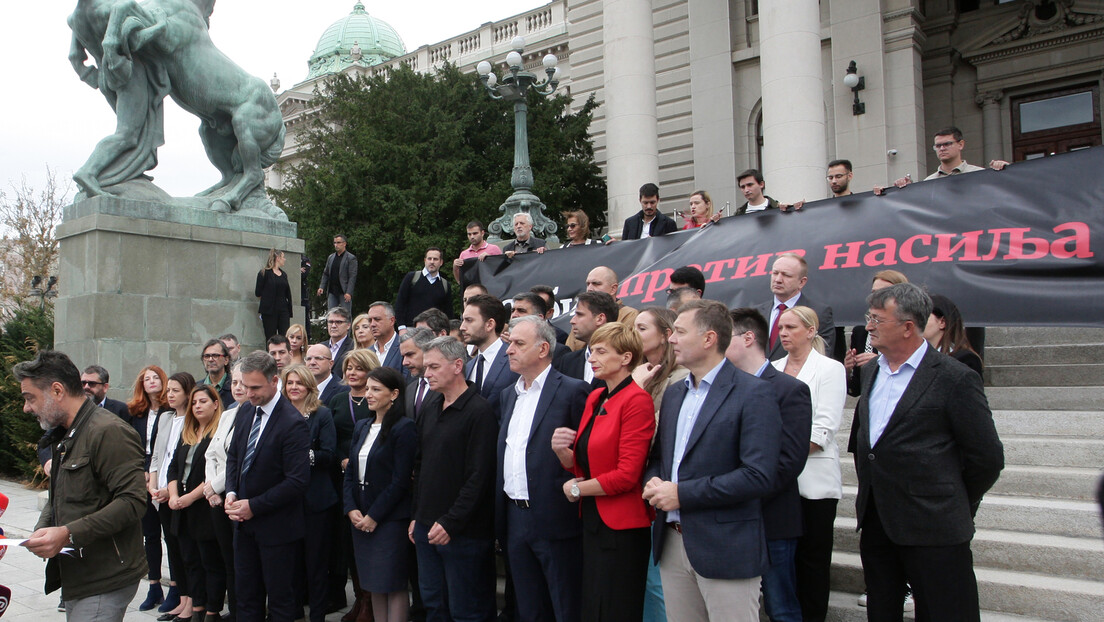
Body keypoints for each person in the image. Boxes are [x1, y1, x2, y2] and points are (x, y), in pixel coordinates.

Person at [852, 283, 1004, 620]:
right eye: (869, 318)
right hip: (879, 521)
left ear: (908, 327)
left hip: (935, 526)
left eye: (878, 320)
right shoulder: (871, 371)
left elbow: (987, 458)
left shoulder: (954, 378)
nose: (869, 327)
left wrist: (951, 499)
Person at [642, 300, 781, 621]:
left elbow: (758, 475)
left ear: (708, 339)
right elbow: (661, 457)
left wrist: (682, 493)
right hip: (672, 543)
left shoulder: (753, 393)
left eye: (679, 331)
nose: (671, 339)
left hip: (726, 546)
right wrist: (652, 480)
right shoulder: (676, 393)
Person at [18, 350, 147, 622]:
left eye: (30, 398)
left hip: (105, 577)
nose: (26, 408)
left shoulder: (108, 431)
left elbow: (132, 502)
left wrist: (66, 534)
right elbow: (60, 496)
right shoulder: (66, 432)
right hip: (79, 574)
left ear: (57, 390)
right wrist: (42, 530)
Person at [550, 322, 655, 621]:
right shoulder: (596, 398)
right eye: (591, 350)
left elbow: (627, 475)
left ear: (625, 358)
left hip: (622, 527)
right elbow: (584, 464)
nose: (591, 357)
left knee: (616, 607)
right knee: (593, 605)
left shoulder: (637, 400)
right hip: (594, 520)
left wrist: (575, 489)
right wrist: (561, 452)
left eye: (600, 351)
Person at [497, 316, 590, 622]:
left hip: (556, 517)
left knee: (565, 605)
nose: (509, 349)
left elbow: (587, 457)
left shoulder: (573, 391)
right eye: (509, 343)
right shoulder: (508, 394)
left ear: (543, 349)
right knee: (528, 607)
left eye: (518, 344)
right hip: (514, 516)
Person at [726, 308, 812, 622]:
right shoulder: (723, 388)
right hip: (727, 520)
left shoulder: (789, 390)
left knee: (781, 607)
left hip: (771, 519)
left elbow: (789, 461)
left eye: (727, 335)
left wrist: (739, 494)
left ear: (749, 338)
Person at [411, 337, 498, 622]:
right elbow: (421, 466)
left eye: (434, 367)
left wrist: (451, 522)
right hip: (426, 526)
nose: (427, 374)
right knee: (434, 606)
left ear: (458, 365)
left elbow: (479, 476)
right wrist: (418, 515)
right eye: (426, 367)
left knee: (467, 611)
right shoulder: (431, 406)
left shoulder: (480, 412)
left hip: (464, 533)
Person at [224, 351, 311, 622]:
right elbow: (235, 456)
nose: (248, 393)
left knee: (281, 601)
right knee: (246, 597)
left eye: (255, 387)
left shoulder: (292, 422)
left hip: (277, 529)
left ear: (275, 381)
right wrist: (231, 492)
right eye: (244, 386)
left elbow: (297, 481)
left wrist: (254, 506)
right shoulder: (246, 411)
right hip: (243, 526)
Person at [772, 306, 846, 622]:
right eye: (781, 327)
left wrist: (774, 455)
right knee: (781, 561)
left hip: (813, 481)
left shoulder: (830, 369)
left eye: (791, 327)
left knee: (812, 560)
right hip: (777, 482)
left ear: (811, 330)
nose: (784, 333)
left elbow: (823, 428)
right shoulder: (772, 367)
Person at [344, 367, 418, 622]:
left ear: (394, 394)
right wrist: (351, 508)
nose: (369, 394)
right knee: (373, 582)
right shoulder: (363, 426)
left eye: (376, 389)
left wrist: (374, 515)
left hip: (389, 518)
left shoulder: (404, 428)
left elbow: (400, 481)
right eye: (368, 388)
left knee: (392, 581)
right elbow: (351, 471)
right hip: (360, 515)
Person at [629, 307, 687, 621]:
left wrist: (634, 390)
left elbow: (647, 436)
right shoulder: (642, 371)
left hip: (659, 488)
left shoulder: (677, 380)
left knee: (657, 583)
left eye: (641, 328)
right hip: (640, 488)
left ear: (665, 335)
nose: (633, 333)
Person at [282, 364, 339, 622]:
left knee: (316, 563)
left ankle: (317, 616)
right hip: (285, 502)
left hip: (316, 500)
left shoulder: (321, 414)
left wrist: (303, 456)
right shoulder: (278, 415)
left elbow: (330, 454)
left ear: (309, 386)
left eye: (298, 383)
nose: (293, 387)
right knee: (289, 564)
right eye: (289, 383)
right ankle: (292, 613)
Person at [167, 385, 227, 622]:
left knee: (209, 562)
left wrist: (189, 497)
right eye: (194, 403)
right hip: (180, 507)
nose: (197, 406)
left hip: (203, 506)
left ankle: (212, 610)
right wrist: (173, 496)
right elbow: (173, 467)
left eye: (203, 401)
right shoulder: (188, 433)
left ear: (215, 404)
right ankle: (197, 607)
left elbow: (213, 474)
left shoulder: (218, 434)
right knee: (190, 561)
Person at [330, 350, 380, 622]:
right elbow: (331, 438)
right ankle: (360, 599)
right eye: (348, 368)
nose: (352, 373)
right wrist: (342, 459)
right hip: (343, 478)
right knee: (348, 544)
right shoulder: (338, 400)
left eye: (359, 368)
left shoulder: (377, 399)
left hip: (372, 480)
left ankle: (372, 602)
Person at [150, 372, 198, 621]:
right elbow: (157, 455)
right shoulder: (166, 417)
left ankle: (191, 602)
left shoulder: (193, 420)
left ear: (188, 393)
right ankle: (181, 599)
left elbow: (182, 464)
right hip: (161, 493)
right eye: (168, 390)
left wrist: (170, 491)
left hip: (180, 493)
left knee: (186, 548)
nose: (169, 394)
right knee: (172, 547)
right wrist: (153, 484)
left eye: (175, 390)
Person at [204, 363, 248, 622]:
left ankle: (246, 609)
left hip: (237, 496)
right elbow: (212, 453)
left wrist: (217, 486)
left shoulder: (254, 415)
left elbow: (239, 459)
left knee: (243, 560)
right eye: (234, 383)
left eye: (243, 382)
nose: (239, 387)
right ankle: (234, 608)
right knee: (227, 558)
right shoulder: (228, 414)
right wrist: (210, 489)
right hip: (217, 498)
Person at [126, 365, 171, 612]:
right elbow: (131, 444)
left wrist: (152, 473)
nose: (151, 382)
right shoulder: (136, 412)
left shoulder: (170, 410)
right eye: (146, 379)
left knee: (171, 535)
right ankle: (154, 586)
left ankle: (175, 586)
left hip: (163, 477)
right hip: (140, 476)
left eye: (155, 378)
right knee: (150, 535)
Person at [875, 126, 1010, 193]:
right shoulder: (928, 183)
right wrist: (904, 192)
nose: (942, 148)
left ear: (960, 144)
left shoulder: (979, 174)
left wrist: (1006, 172)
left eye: (947, 144)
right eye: (938, 146)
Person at [844, 270, 909, 398]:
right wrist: (847, 370)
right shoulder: (861, 333)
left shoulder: (907, 331)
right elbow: (855, 389)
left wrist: (880, 362)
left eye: (884, 293)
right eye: (874, 293)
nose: (876, 298)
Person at [759, 253, 836, 361]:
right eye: (775, 273)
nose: (778, 279)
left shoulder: (819, 313)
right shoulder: (756, 313)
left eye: (786, 275)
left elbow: (822, 355)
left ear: (802, 282)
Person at [461, 294, 518, 418]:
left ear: (490, 324)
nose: (462, 327)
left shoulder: (514, 360)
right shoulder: (468, 366)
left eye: (469, 320)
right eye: (463, 320)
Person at [565, 266, 639, 352]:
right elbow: (569, 352)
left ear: (613, 289)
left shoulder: (630, 315)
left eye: (596, 284)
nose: (590, 289)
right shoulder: (579, 319)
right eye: (588, 284)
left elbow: (621, 349)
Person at [555, 291, 619, 384]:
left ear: (600, 319)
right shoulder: (568, 361)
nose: (572, 321)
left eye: (579, 315)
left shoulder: (619, 360)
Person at [924, 294, 984, 377]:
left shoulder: (966, 359)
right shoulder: (917, 356)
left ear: (942, 322)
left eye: (924, 316)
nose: (917, 322)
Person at [395, 248, 453, 328]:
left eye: (435, 259)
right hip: (411, 330)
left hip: (434, 332)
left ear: (441, 262)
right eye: (429, 258)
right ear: (425, 260)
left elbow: (448, 312)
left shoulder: (445, 285)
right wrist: (401, 327)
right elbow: (400, 303)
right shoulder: (412, 278)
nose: (432, 262)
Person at [399, 327, 438, 421]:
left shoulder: (446, 386)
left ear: (428, 350)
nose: (404, 362)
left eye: (410, 355)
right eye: (403, 357)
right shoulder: (409, 389)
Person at [256, 248, 293, 339]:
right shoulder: (264, 273)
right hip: (269, 311)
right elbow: (258, 292)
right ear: (278, 258)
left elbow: (286, 292)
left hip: (283, 310)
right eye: (283, 257)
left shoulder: (283, 274)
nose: (284, 259)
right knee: (270, 337)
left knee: (284, 337)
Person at [453, 220, 503, 285]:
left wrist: (490, 259)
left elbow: (503, 271)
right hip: (472, 291)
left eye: (475, 233)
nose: (472, 237)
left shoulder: (494, 249)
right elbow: (460, 281)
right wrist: (455, 267)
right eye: (469, 234)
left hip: (491, 290)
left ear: (482, 233)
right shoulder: (464, 254)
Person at [318, 234, 358, 313]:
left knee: (346, 315)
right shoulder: (331, 257)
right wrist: (321, 287)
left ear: (344, 243)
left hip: (344, 292)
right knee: (331, 314)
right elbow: (326, 273)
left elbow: (352, 276)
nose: (336, 245)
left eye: (338, 242)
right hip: (332, 291)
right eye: (335, 243)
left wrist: (349, 292)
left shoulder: (351, 258)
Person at [368, 301, 406, 375]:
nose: (372, 324)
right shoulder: (368, 352)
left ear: (392, 321)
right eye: (370, 320)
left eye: (377, 319)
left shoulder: (404, 348)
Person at [200, 338, 235, 408]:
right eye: (207, 356)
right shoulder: (195, 387)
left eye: (215, 356)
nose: (210, 359)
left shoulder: (235, 387)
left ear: (226, 360)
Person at [324, 307, 355, 379]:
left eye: (338, 322)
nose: (334, 326)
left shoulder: (354, 347)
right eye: (331, 322)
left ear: (348, 325)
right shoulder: (320, 347)